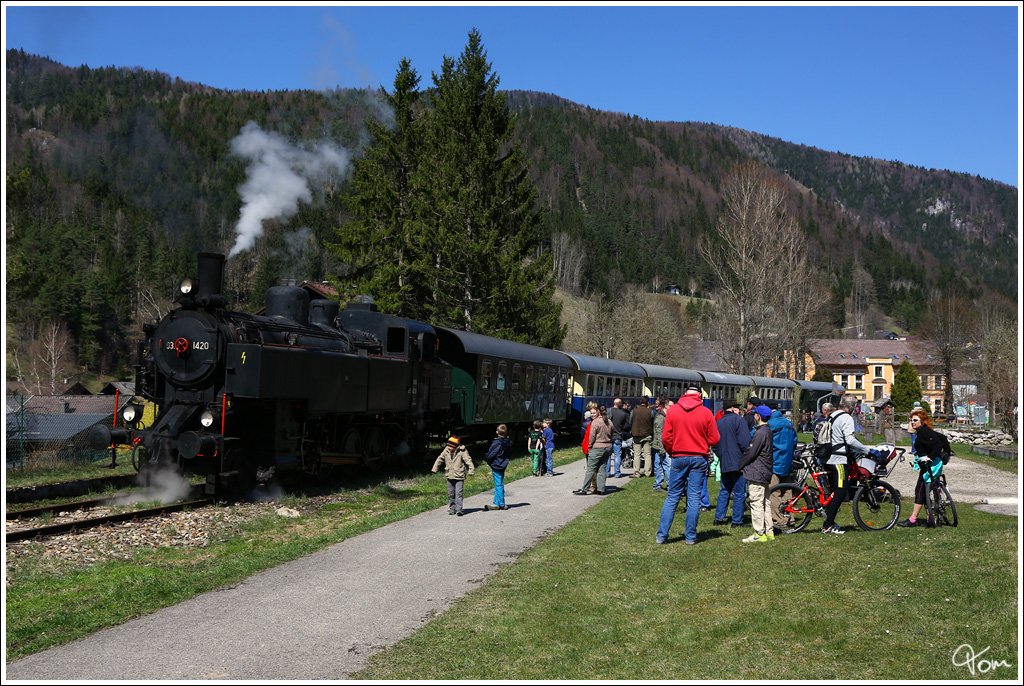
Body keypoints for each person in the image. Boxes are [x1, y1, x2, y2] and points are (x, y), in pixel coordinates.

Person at [655, 383, 721, 546]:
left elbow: (666, 438)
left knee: (673, 496)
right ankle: (690, 537)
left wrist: (672, 452)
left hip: (678, 456)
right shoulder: (706, 412)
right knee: (694, 498)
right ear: (699, 396)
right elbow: (715, 439)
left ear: (685, 394)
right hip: (699, 457)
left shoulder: (674, 411)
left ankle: (662, 535)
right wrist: (703, 442)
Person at [821, 395, 870, 534]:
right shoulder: (847, 418)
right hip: (838, 460)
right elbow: (849, 439)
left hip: (827, 458)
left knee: (832, 493)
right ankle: (828, 525)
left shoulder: (832, 415)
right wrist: (865, 449)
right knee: (841, 492)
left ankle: (830, 520)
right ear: (853, 407)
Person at [898, 409, 948, 527]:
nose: (912, 422)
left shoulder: (925, 432)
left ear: (922, 421)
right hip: (930, 464)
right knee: (926, 490)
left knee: (919, 491)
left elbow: (938, 444)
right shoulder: (922, 432)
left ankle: (913, 519)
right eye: (911, 420)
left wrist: (930, 457)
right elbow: (942, 439)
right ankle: (931, 519)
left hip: (930, 465)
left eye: (915, 420)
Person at [737, 405, 775, 542]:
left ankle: (759, 533)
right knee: (766, 502)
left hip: (757, 471)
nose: (753, 416)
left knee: (757, 502)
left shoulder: (760, 432)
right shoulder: (768, 430)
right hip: (765, 470)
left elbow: (750, 453)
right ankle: (769, 531)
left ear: (759, 416)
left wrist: (740, 464)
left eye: (755, 414)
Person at [713, 399, 751, 528]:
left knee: (725, 490)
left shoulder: (718, 422)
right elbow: (745, 442)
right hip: (738, 460)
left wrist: (721, 455)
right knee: (740, 492)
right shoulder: (739, 420)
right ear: (733, 408)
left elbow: (714, 444)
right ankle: (737, 521)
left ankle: (718, 518)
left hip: (724, 460)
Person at [767, 402, 798, 532]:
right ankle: (790, 517)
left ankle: (779, 520)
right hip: (788, 461)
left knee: (774, 492)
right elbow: (795, 440)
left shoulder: (770, 424)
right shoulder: (788, 423)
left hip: (775, 461)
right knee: (787, 491)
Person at [432, 436, 475, 516]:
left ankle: (459, 509)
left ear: (455, 446)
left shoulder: (462, 451)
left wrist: (471, 469)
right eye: (448, 445)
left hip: (459, 475)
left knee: (459, 493)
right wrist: (435, 469)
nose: (449, 447)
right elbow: (440, 459)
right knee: (451, 493)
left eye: (451, 446)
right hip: (449, 475)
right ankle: (452, 508)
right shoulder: (446, 450)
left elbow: (468, 460)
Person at [575, 404, 612, 496]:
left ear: (598, 411)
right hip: (607, 446)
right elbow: (612, 432)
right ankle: (601, 489)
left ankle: (584, 489)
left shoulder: (596, 422)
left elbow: (592, 436)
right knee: (602, 468)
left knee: (591, 469)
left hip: (597, 447)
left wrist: (590, 445)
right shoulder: (609, 421)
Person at [483, 424, 513, 511]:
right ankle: (496, 502)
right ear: (506, 432)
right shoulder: (509, 443)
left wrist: (489, 461)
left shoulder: (497, 443)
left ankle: (501, 503)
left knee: (499, 484)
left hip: (496, 465)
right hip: (503, 464)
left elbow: (490, 454)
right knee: (498, 483)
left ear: (497, 432)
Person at [629, 397, 654, 478]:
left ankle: (637, 472)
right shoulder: (650, 411)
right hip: (647, 434)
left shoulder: (634, 411)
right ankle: (648, 472)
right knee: (647, 454)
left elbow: (630, 421)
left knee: (637, 454)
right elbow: (653, 421)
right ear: (647, 403)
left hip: (636, 434)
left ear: (640, 402)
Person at [651, 397, 672, 492]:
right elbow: (658, 434)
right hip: (661, 446)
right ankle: (668, 485)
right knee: (666, 466)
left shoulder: (666, 416)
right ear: (666, 406)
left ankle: (658, 484)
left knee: (660, 465)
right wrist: (662, 449)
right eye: (672, 406)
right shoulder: (660, 418)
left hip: (664, 445)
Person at [607, 398, 629, 479]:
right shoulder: (622, 414)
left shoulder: (608, 411)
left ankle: (607, 472)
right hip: (618, 436)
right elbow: (623, 425)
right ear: (619, 404)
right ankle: (617, 473)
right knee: (617, 455)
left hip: (609, 437)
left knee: (608, 456)